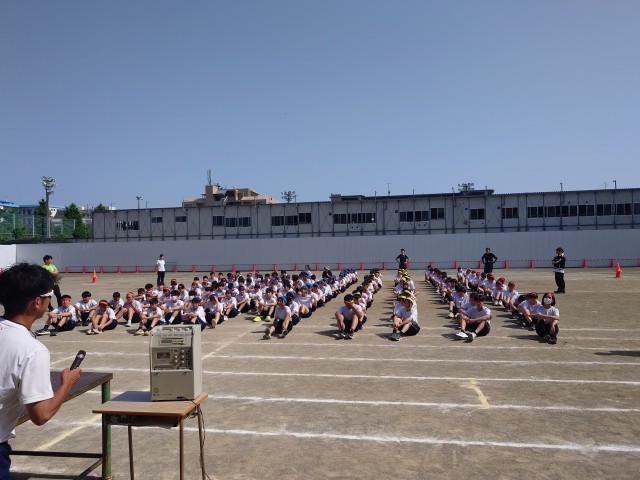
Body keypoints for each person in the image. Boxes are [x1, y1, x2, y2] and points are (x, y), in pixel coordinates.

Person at [0, 263, 81, 478]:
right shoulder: (32, 349)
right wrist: (67, 383)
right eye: (49, 296)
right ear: (37, 302)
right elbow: (41, 415)